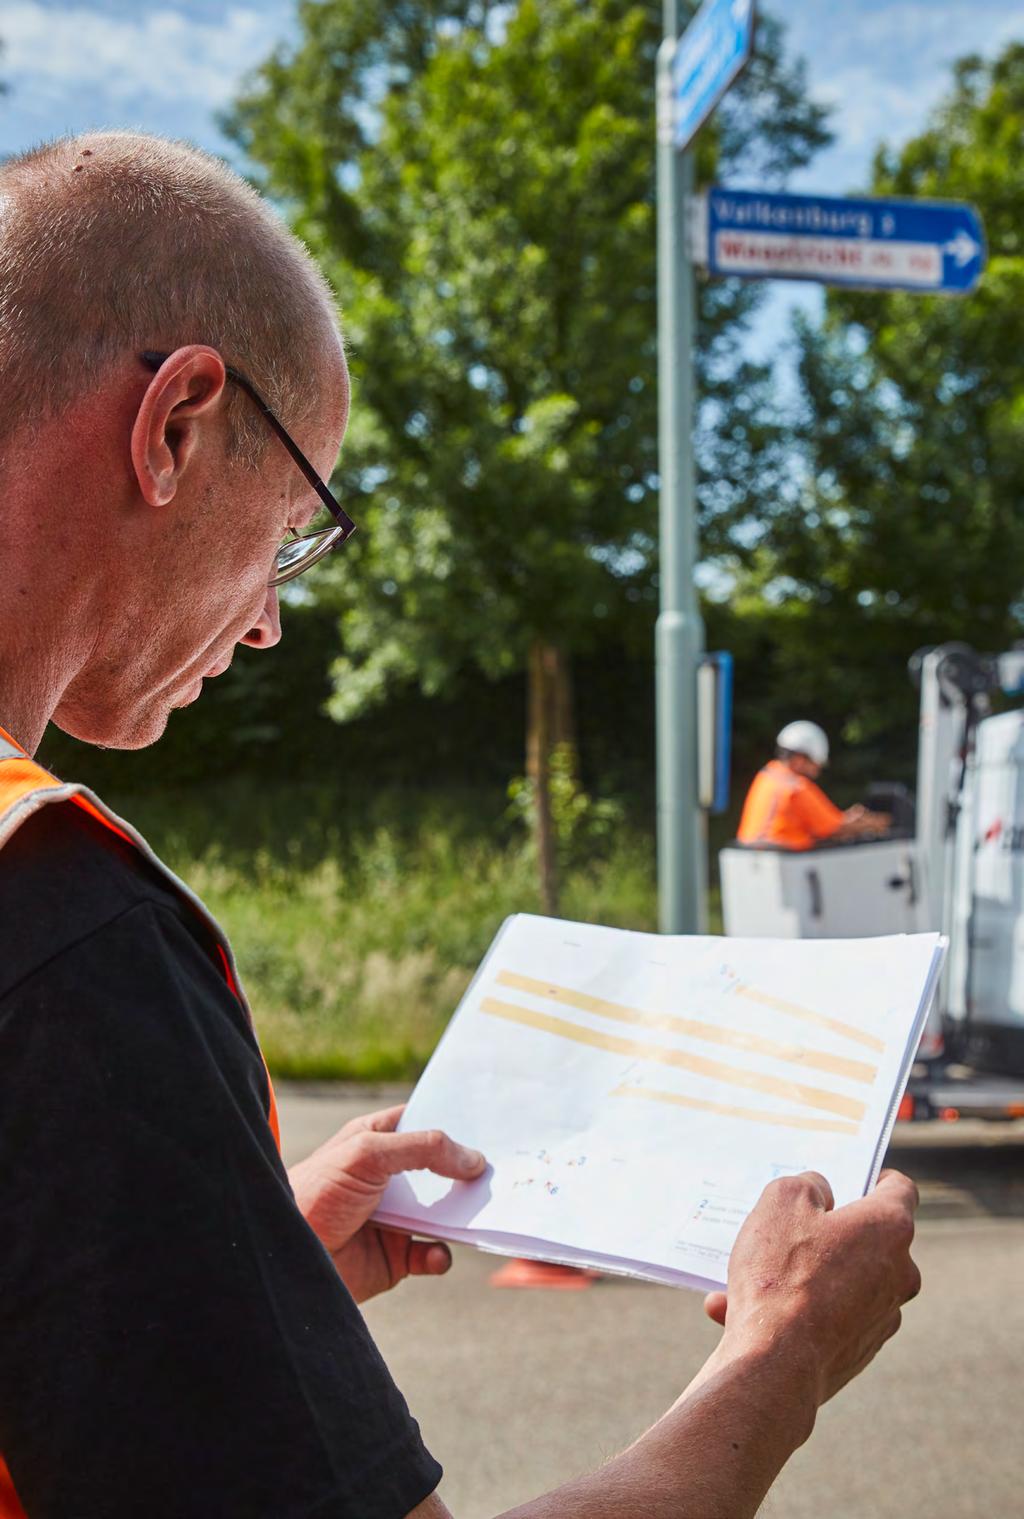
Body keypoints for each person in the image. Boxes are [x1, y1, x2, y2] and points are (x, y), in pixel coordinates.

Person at [0, 133, 921, 1519]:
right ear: (177, 422)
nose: (264, 617)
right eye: (295, 531)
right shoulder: (59, 921)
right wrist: (781, 1350)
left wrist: (234, 1254)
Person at [737, 719, 891, 851]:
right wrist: (871, 825)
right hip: (787, 861)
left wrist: (846, 819)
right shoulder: (796, 787)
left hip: (753, 856)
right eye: (815, 764)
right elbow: (834, 829)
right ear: (799, 759)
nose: (817, 771)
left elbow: (824, 821)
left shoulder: (766, 777)